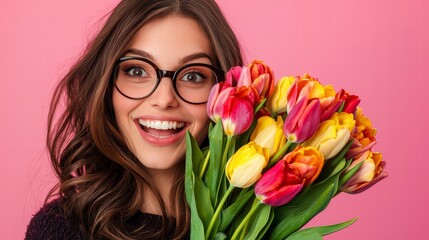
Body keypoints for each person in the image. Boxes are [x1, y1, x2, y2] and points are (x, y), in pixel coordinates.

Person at [25, 0, 243, 239]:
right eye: (137, 71)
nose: (164, 99)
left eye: (192, 76)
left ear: (225, 92)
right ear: (107, 85)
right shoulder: (58, 230)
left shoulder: (258, 224)